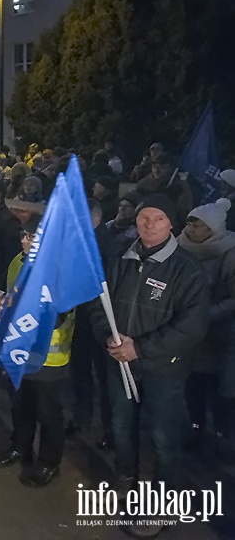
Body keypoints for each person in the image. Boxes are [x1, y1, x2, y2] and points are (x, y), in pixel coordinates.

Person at [93, 194, 209, 537]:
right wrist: (110, 338)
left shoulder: (187, 270)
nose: (149, 225)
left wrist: (139, 348)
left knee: (163, 435)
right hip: (119, 360)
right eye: (144, 217)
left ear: (171, 223)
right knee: (120, 424)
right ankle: (126, 479)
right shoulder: (119, 259)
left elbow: (192, 326)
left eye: (158, 218)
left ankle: (162, 504)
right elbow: (97, 301)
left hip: (164, 367)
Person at [0, 215, 74, 488]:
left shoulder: (62, 272)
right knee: (21, 406)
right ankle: (19, 448)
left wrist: (10, 308)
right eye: (24, 234)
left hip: (48, 358)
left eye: (32, 236)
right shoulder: (17, 261)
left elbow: (57, 316)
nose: (24, 239)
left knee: (48, 414)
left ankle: (49, 462)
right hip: (18, 352)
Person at [176, 199, 235, 457]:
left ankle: (224, 434)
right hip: (190, 333)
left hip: (220, 333)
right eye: (189, 222)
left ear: (213, 229)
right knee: (193, 383)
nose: (190, 228)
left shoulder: (229, 254)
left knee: (223, 389)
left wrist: (205, 315)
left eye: (197, 225)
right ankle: (195, 426)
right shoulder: (179, 248)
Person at [66, 199, 124, 449]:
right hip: (80, 319)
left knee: (105, 376)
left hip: (101, 321)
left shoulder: (109, 246)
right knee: (80, 371)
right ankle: (82, 417)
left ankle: (111, 429)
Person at [135, 154, 194, 229]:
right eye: (155, 167)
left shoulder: (180, 186)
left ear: (169, 168)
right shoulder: (143, 184)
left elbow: (185, 209)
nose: (157, 171)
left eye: (162, 168)